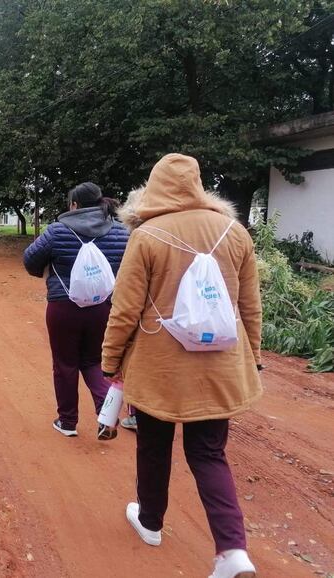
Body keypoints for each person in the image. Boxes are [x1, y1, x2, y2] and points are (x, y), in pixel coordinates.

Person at [102, 154, 262, 578]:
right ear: (198, 185)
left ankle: (151, 522)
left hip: (160, 368)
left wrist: (111, 360)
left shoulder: (147, 234)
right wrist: (255, 357)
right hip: (221, 365)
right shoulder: (235, 231)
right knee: (209, 452)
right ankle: (232, 551)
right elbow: (249, 306)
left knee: (153, 447)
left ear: (154, 187)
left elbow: (125, 309)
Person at [24, 182, 129, 440]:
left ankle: (67, 421)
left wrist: (46, 270)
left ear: (74, 205)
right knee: (94, 361)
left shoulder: (58, 231)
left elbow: (30, 260)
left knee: (65, 363)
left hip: (63, 307)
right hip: (103, 307)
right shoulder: (120, 232)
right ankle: (108, 415)